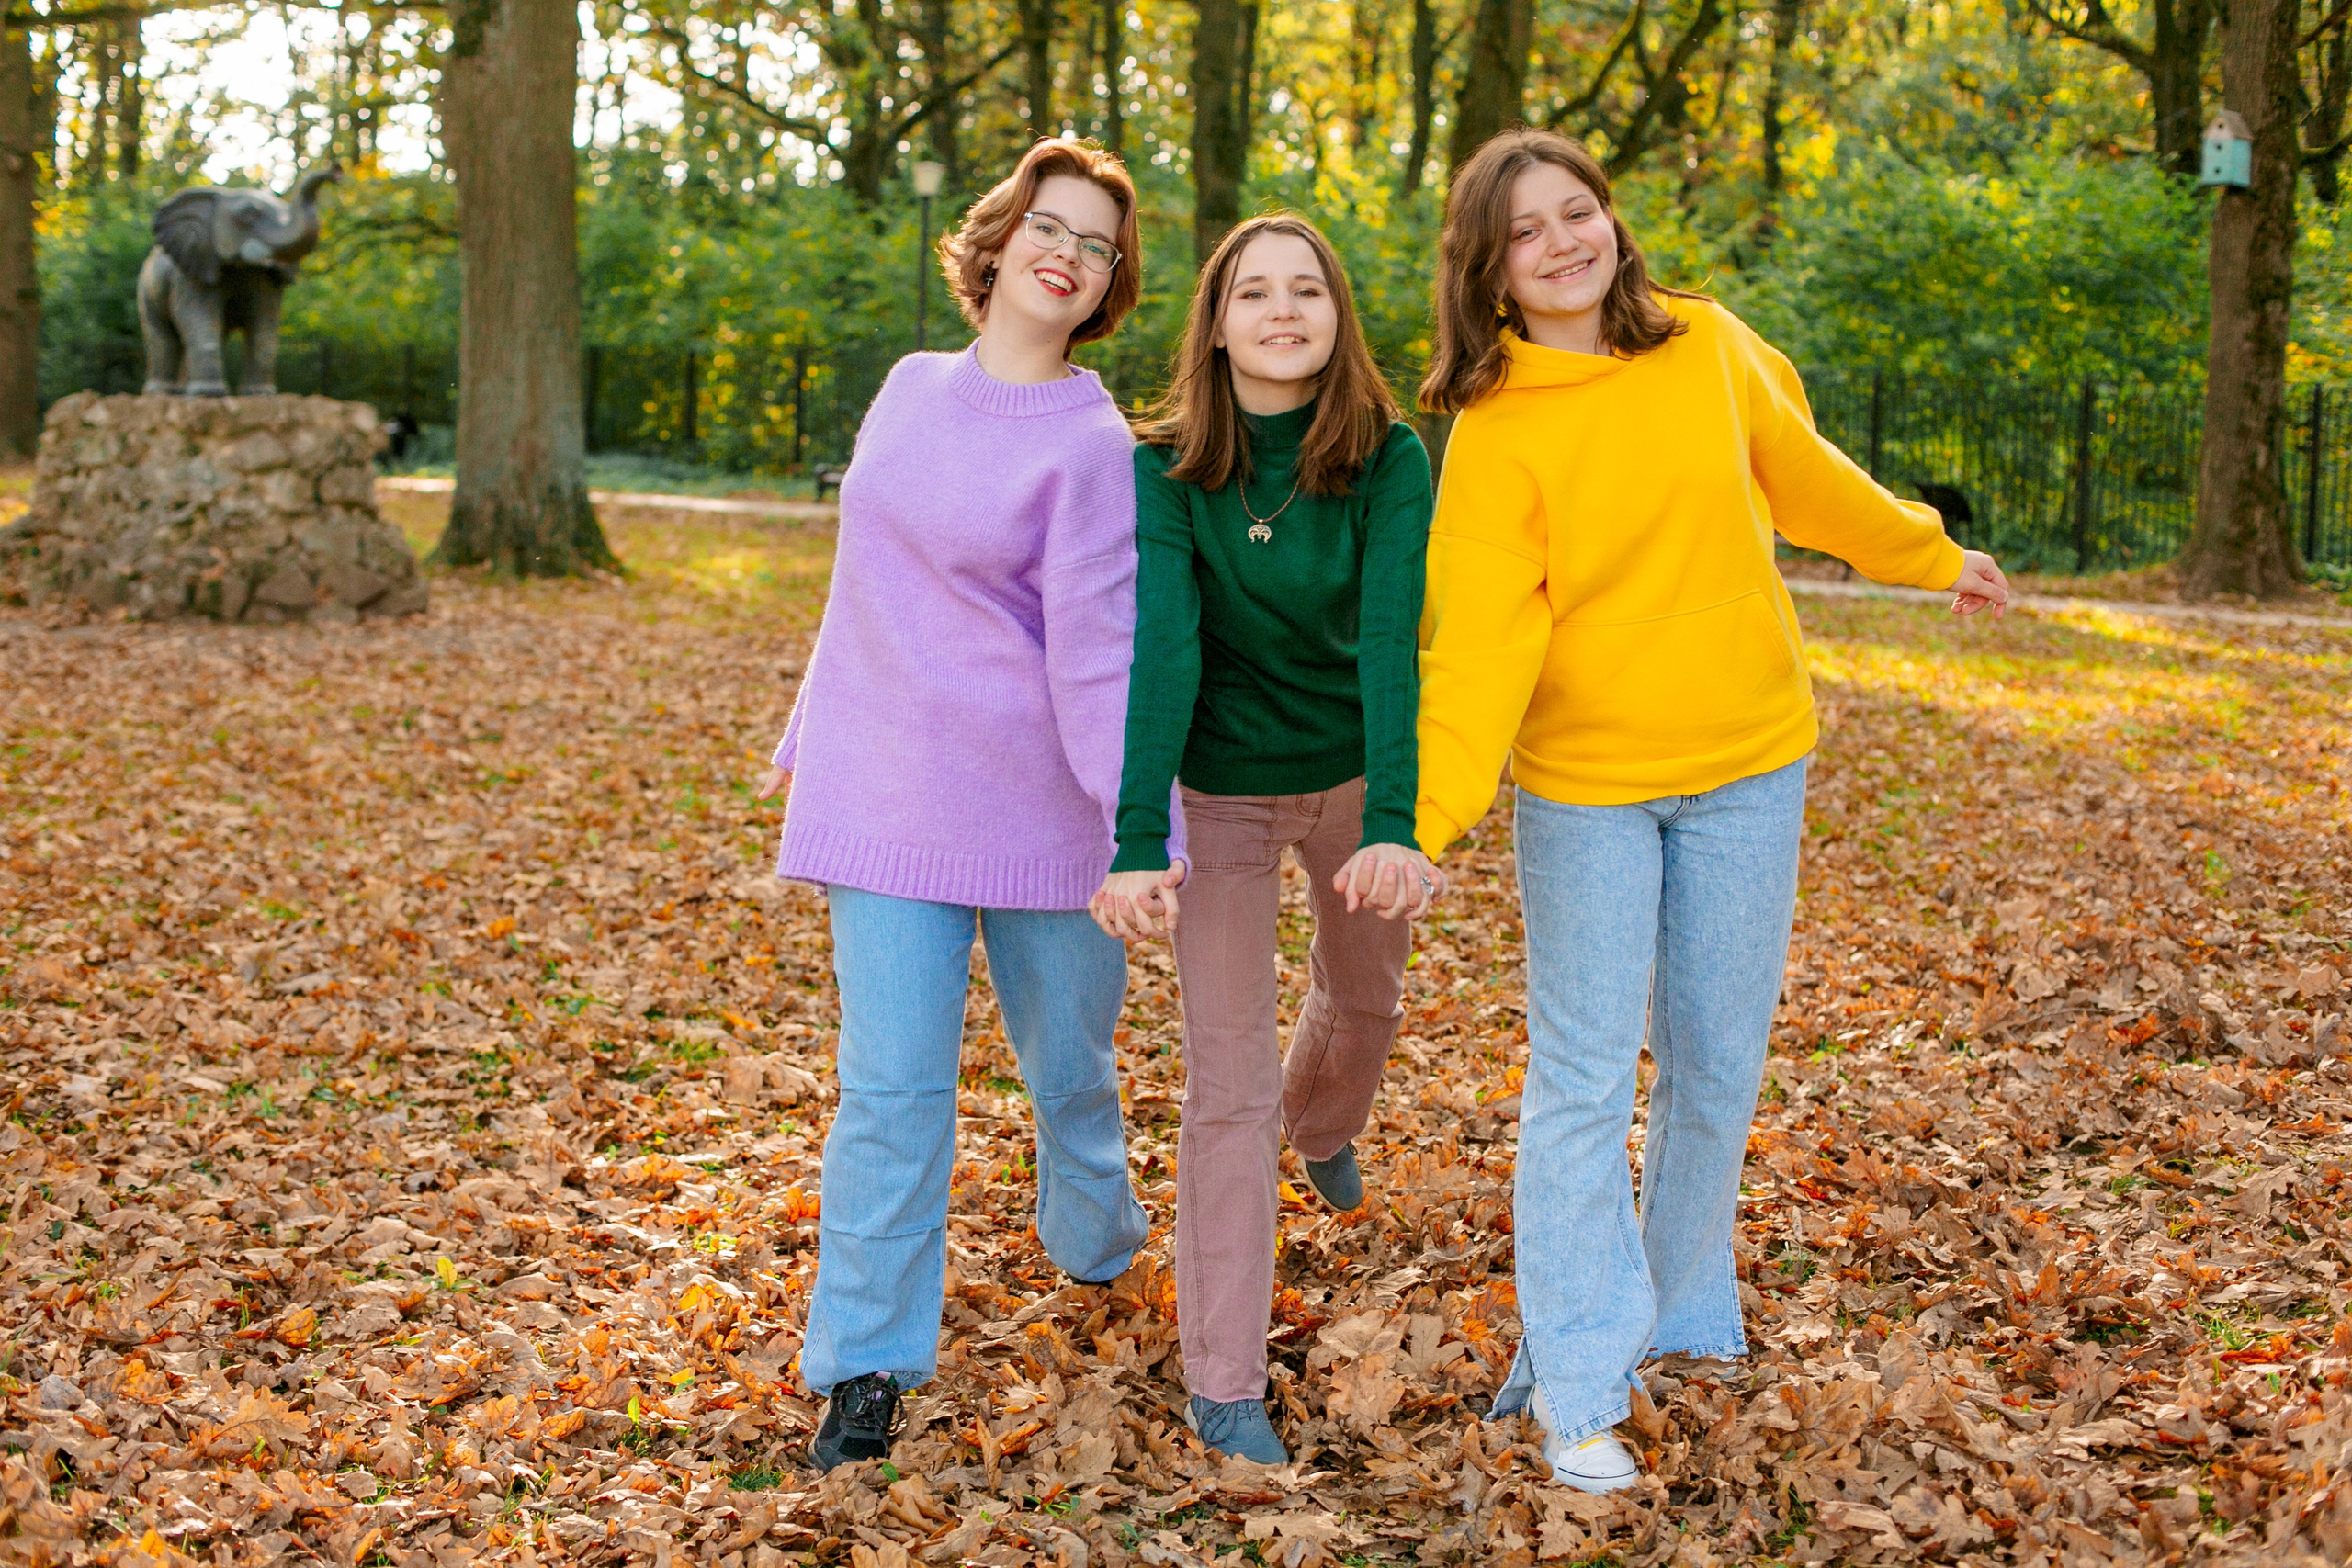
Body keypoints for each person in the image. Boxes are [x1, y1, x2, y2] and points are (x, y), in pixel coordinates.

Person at [1412, 129, 2011, 1492]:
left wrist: (1929, 552)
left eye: (1582, 213)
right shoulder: (1498, 429)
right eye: (1528, 231)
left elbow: (1810, 482)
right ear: (1490, 271)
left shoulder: (1709, 344)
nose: (1564, 242)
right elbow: (1482, 640)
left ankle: (1680, 1326)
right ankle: (1577, 1377)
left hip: (1752, 761)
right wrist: (1429, 813)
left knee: (1716, 1065)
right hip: (1589, 788)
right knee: (1579, 1083)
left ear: (1612, 224)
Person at [754, 137, 1170, 1473]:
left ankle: (1098, 1238)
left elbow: (1100, 648)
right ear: (997, 242)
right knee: (890, 1094)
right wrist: (814, 738)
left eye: (1097, 244)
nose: (1069, 252)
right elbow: (862, 583)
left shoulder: (1098, 444)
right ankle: (864, 1370)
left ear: (1108, 284)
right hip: (886, 799)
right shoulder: (906, 387)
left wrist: (1132, 834)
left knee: (1068, 1072)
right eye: (1052, 225)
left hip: (1045, 813)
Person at [1091, 213, 1442, 1465]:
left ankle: (1329, 1126)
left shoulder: (1389, 458)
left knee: (1368, 1003)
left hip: (1351, 776)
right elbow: (1163, 648)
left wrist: (1397, 824)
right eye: (1255, 293)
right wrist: (1139, 839)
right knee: (1224, 1088)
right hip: (1224, 795)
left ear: (1338, 315)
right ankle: (1223, 1380)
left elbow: (1397, 642)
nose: (1283, 311)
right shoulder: (1171, 462)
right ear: (1219, 319)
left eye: (1308, 291)